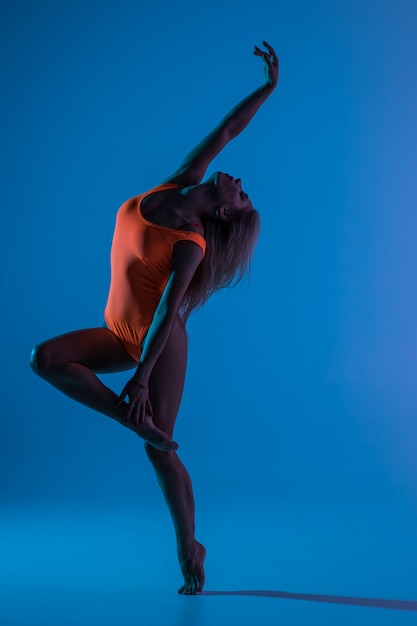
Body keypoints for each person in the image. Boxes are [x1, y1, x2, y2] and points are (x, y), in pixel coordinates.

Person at [30, 41, 279, 595]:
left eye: (242, 197)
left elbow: (169, 311)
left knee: (160, 449)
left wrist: (142, 376)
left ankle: (189, 546)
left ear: (221, 213)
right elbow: (226, 129)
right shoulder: (175, 184)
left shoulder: (189, 241)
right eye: (241, 189)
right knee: (45, 358)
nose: (239, 184)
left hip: (159, 345)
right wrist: (267, 88)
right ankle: (131, 419)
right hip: (119, 333)